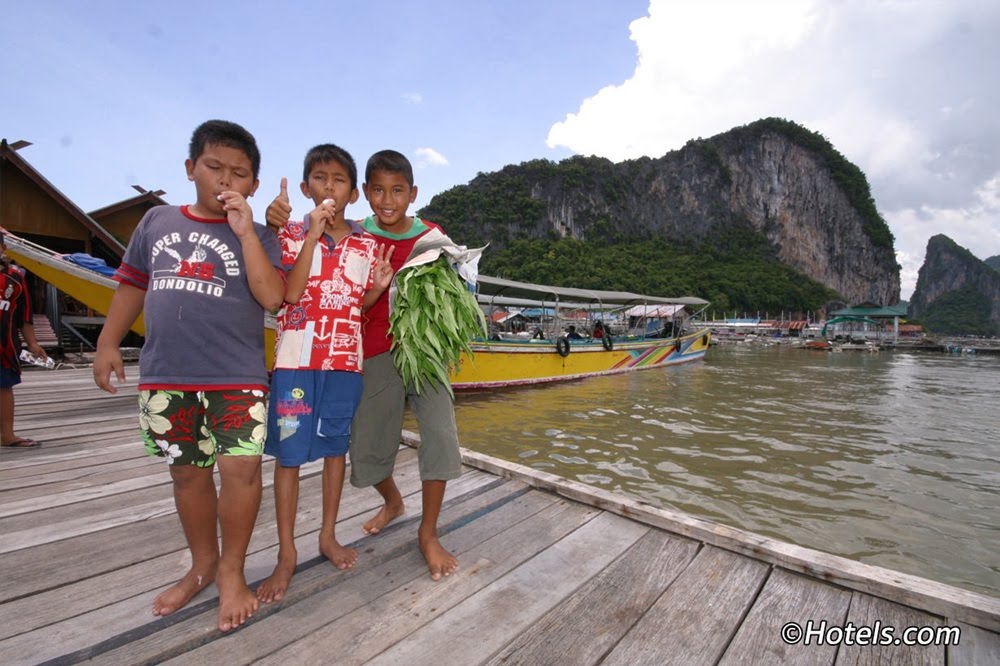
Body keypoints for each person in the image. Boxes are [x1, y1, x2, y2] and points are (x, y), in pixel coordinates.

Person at [93, 119, 285, 632]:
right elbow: (132, 285)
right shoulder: (156, 221)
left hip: (237, 376)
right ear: (190, 169)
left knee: (241, 472)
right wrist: (108, 342)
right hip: (166, 375)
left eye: (239, 174)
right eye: (214, 167)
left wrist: (245, 231)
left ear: (254, 185)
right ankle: (201, 565)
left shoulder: (261, 236)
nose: (226, 181)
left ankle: (231, 571)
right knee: (187, 474)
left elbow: (272, 297)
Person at [266, 149, 463, 581]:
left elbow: (453, 289)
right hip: (368, 352)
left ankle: (428, 533)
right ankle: (393, 501)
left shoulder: (431, 235)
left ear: (413, 193)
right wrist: (274, 219)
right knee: (366, 444)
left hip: (423, 354)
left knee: (440, 433)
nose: (387, 200)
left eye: (397, 191)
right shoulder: (359, 234)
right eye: (378, 190)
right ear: (364, 196)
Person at [255, 144, 394, 604]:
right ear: (304, 187)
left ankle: (327, 536)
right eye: (319, 177)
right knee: (289, 455)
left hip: (343, 366)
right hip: (296, 362)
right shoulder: (290, 234)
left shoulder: (367, 244)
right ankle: (286, 553)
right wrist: (305, 233)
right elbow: (283, 295)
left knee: (336, 449)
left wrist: (375, 290)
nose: (328, 186)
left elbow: (358, 307)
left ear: (353, 194)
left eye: (338, 180)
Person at [1, 231, 48, 448]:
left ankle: (8, 435)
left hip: (4, 346)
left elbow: (24, 317)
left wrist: (33, 343)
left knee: (4, 388)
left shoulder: (14, 278)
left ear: (3, 250)